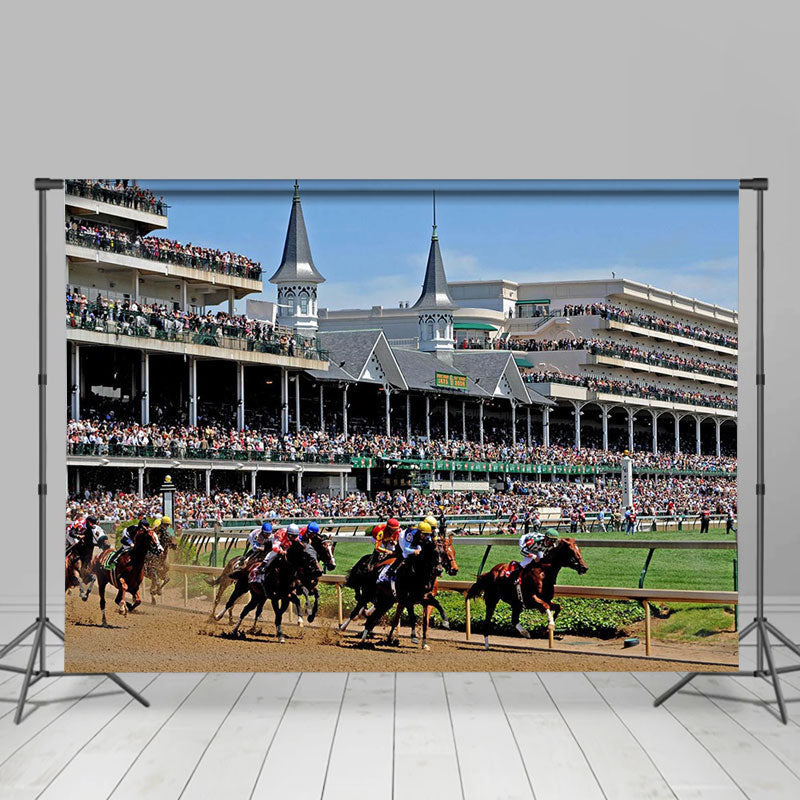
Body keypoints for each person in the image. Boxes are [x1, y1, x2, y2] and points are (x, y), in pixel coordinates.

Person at [513, 528, 549, 603]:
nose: (551, 543)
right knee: (528, 561)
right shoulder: (535, 541)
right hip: (525, 542)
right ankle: (516, 575)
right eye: (550, 540)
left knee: (541, 560)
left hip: (536, 546)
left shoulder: (552, 544)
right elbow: (522, 551)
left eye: (553, 541)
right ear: (546, 538)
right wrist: (534, 557)